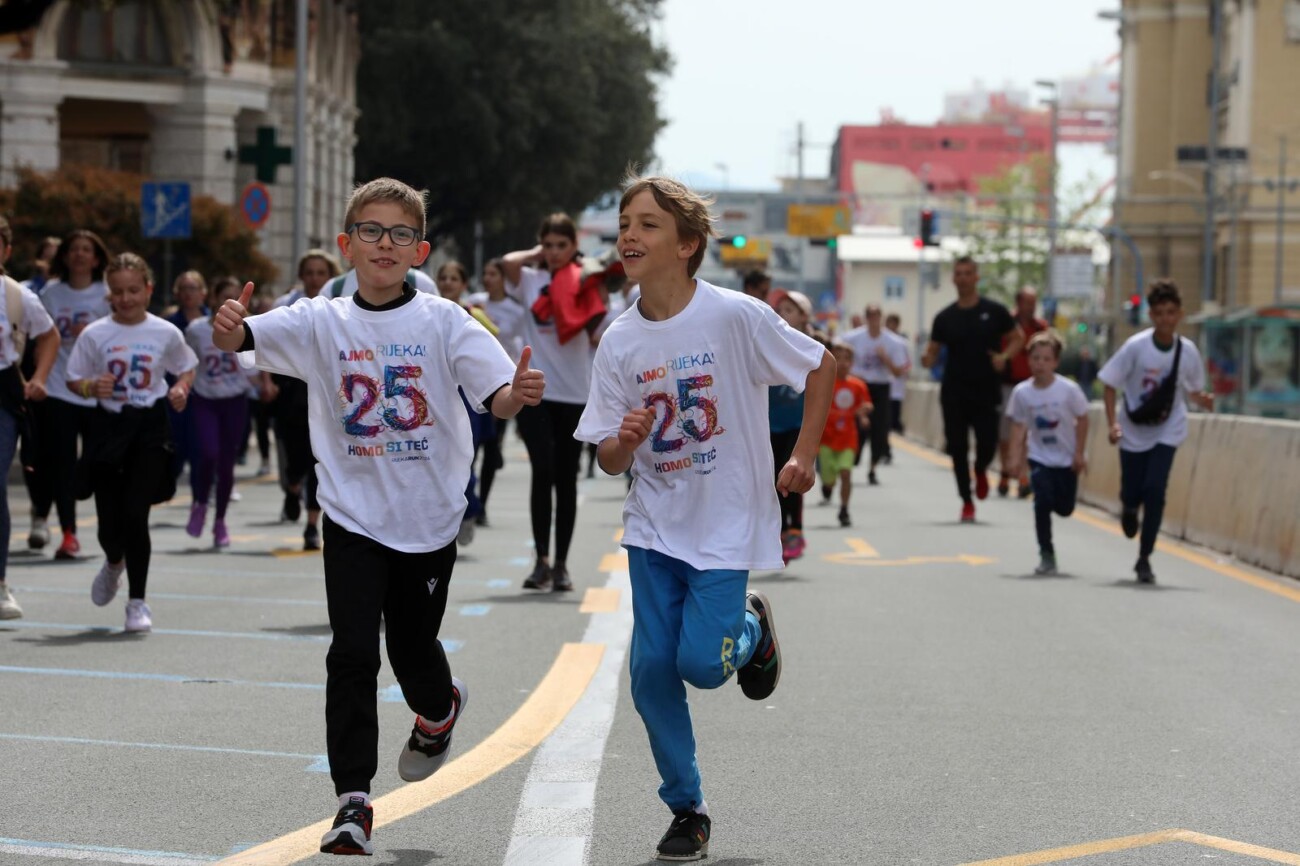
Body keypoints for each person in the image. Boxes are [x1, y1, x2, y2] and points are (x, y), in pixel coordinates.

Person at [212, 177, 544, 857]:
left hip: (428, 517)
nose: (384, 244)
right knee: (353, 651)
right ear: (346, 245)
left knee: (412, 652)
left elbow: (497, 395)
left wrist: (520, 394)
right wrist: (227, 329)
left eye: (399, 234)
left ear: (419, 249)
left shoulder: (446, 319)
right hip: (351, 516)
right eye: (370, 231)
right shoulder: (319, 320)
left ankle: (440, 706)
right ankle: (353, 803)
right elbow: (243, 337)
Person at [575, 174, 834, 862]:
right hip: (655, 522)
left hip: (724, 520)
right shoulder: (619, 340)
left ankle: (751, 629)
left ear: (688, 245)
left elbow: (821, 367)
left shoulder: (733, 317)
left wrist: (805, 453)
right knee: (651, 671)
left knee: (703, 665)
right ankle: (687, 807)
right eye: (626, 222)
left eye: (649, 224)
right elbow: (604, 454)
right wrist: (622, 445)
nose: (631, 234)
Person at [66, 253, 198, 633]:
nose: (125, 299)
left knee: (136, 513)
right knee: (109, 522)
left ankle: (137, 602)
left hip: (149, 426)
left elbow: (186, 365)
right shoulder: (96, 334)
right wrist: (92, 386)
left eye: (133, 291)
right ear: (109, 294)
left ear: (148, 290)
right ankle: (113, 563)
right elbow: (74, 378)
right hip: (109, 427)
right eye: (118, 292)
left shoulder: (164, 332)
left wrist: (181, 387)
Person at [502, 213, 606, 592]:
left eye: (563, 245)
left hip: (575, 394)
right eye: (549, 244)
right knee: (541, 472)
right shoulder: (530, 279)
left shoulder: (586, 281)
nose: (555, 252)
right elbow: (508, 263)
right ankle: (540, 561)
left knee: (565, 478)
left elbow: (599, 333)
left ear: (574, 246)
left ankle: (561, 564)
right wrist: (538, 253)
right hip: (536, 394)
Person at [1099, 279, 1212, 584]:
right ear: (1151, 315)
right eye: (1159, 312)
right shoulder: (1136, 347)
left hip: (1168, 429)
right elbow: (1110, 383)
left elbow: (1193, 390)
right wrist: (1113, 423)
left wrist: (1203, 400)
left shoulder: (1187, 352)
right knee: (1133, 491)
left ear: (1180, 315)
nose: (1165, 318)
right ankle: (1129, 506)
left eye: (1171, 312)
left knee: (1155, 490)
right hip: (1133, 431)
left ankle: (1145, 557)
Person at [28, 229, 113, 557]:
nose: (79, 254)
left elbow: (118, 340)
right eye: (73, 249)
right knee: (60, 462)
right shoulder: (51, 294)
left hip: (96, 391)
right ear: (64, 256)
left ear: (96, 258)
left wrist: (91, 334)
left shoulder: (106, 295)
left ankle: (93, 513)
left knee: (92, 463)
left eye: (86, 249)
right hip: (58, 388)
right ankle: (68, 534)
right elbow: (39, 339)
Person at [920, 256, 1022, 523]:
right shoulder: (945, 317)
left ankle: (981, 469)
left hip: (987, 390)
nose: (963, 278)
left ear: (976, 277)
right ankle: (967, 500)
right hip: (954, 391)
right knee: (958, 447)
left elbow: (1017, 338)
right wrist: (926, 359)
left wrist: (1004, 357)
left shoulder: (995, 311)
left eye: (968, 273)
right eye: (959, 274)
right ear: (953, 279)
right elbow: (932, 350)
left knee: (987, 443)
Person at [0, 217, 59, 619]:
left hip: (3, 394)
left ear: (5, 250)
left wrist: (38, 378)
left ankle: (1, 585)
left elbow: (49, 336)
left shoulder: (15, 296)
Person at [272, 251, 343, 550]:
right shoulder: (285, 306)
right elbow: (267, 346)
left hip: (326, 393)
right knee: (295, 458)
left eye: (321, 273)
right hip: (291, 392)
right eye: (309, 272)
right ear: (301, 276)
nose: (315, 278)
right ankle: (291, 487)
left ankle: (312, 526)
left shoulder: (340, 309)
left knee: (319, 461)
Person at [1005, 331, 1090, 576]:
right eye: (1035, 358)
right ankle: (1046, 553)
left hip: (1065, 458)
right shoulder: (1022, 393)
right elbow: (1019, 426)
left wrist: (1079, 453)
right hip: (1039, 456)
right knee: (1041, 501)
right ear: (1029, 361)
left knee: (1064, 508)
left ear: (1055, 362)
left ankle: (1056, 503)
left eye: (1046, 359)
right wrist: (1013, 458)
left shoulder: (1068, 390)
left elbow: (1083, 419)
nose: (1040, 364)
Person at [184, 279, 257, 548]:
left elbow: (255, 365)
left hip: (235, 401)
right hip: (205, 399)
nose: (232, 302)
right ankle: (200, 503)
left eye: (236, 297)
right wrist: (183, 385)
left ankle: (220, 521)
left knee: (226, 464)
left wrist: (267, 384)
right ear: (213, 299)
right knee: (208, 454)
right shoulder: (196, 330)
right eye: (226, 297)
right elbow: (187, 363)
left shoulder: (248, 328)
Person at [472, 257, 526, 526]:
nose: (488, 278)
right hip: (474, 379)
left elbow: (513, 339)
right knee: (473, 446)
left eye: (493, 273)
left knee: (491, 445)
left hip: (504, 380)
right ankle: (471, 498)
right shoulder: (474, 301)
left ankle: (483, 503)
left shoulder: (515, 310)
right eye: (485, 273)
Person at [768, 288, 815, 561]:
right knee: (773, 479)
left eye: (789, 310)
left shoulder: (813, 345)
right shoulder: (769, 343)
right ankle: (780, 531)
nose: (781, 315)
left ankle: (795, 530)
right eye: (779, 310)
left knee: (794, 476)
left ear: (803, 316)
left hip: (798, 424)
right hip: (770, 424)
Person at [843, 304, 907, 485]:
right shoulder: (853, 338)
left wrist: (885, 358)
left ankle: (872, 468)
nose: (873, 319)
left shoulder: (892, 342)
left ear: (880, 317)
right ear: (866, 318)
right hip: (860, 386)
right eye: (869, 315)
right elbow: (837, 353)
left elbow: (898, 372)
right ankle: (852, 460)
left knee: (880, 429)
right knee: (857, 427)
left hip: (881, 387)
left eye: (876, 315)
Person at [997, 287, 1049, 498]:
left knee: (1029, 433)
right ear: (1019, 303)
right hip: (1008, 385)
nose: (1032, 307)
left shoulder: (1040, 327)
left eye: (1034, 302)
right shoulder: (1006, 325)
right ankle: (1004, 471)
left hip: (1032, 386)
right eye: (1028, 302)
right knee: (1005, 433)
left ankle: (1023, 476)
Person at [164, 271, 211, 481]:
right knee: (179, 439)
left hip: (210, 391)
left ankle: (206, 485)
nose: (188, 294)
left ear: (203, 293)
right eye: (183, 288)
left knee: (206, 443)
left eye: (192, 288)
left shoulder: (214, 321)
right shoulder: (170, 324)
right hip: (179, 390)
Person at [820, 340, 872, 528]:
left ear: (852, 362)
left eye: (847, 359)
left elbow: (866, 404)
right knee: (829, 478)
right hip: (826, 439)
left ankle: (844, 509)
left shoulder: (858, 385)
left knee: (846, 474)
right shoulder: (825, 382)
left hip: (848, 438)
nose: (843, 363)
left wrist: (863, 413)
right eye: (838, 358)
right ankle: (827, 486)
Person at [884, 312, 911, 440]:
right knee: (885, 419)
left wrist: (903, 372)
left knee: (894, 417)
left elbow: (907, 363)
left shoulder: (902, 342)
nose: (891, 326)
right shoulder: (882, 340)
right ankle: (886, 447)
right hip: (883, 385)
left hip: (897, 387)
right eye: (889, 323)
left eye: (894, 323)